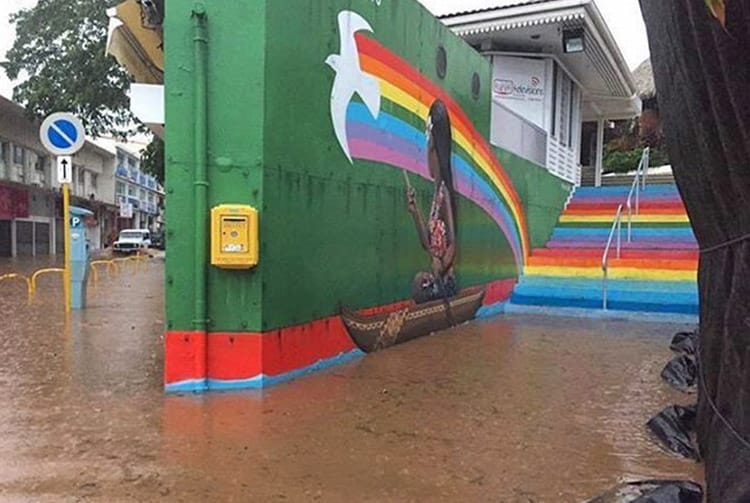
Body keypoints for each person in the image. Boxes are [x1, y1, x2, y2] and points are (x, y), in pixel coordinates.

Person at [406, 99, 458, 304]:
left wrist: (442, 264)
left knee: (421, 282)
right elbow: (426, 243)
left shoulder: (444, 194)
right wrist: (415, 212)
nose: (428, 158)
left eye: (431, 151)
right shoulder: (436, 196)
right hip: (437, 274)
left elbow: (453, 244)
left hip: (444, 280)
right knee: (419, 283)